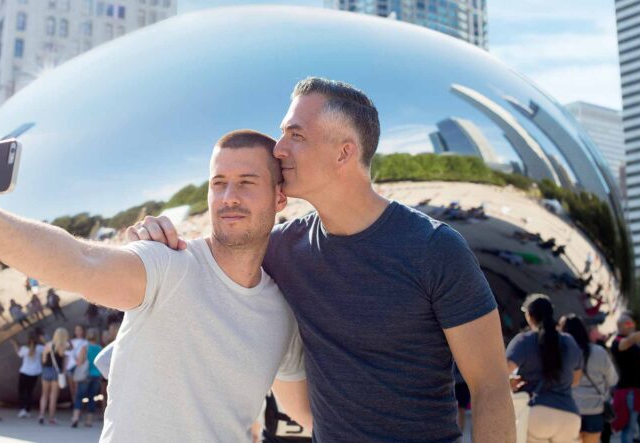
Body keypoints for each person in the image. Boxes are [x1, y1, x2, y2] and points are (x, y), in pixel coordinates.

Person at [132, 78, 515, 441]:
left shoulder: (435, 249)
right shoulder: (281, 248)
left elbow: (490, 386)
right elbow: (205, 261)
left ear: (344, 151)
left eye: (295, 135)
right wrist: (153, 237)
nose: (279, 149)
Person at [0, 130, 310, 441]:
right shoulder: (168, 263)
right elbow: (82, 262)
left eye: (246, 182)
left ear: (280, 197)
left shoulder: (280, 314)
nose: (229, 197)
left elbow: (305, 412)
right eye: (219, 183)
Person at [506, 295, 582, 443]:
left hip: (537, 414)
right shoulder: (569, 341)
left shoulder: (523, 341)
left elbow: (501, 373)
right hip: (570, 416)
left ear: (529, 316)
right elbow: (575, 381)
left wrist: (510, 382)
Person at [561, 315, 617, 443]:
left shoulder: (562, 355)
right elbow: (613, 379)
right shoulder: (599, 352)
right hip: (595, 410)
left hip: (570, 409)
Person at [610, 313, 640, 443]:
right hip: (629, 392)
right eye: (628, 324)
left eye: (633, 324)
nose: (632, 326)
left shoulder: (638, 343)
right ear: (620, 326)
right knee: (629, 429)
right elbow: (629, 340)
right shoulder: (617, 342)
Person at [71, 328, 103, 428]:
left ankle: (76, 417)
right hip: (96, 376)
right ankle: (89, 421)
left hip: (85, 375)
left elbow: (80, 362)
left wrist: (76, 361)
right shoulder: (100, 348)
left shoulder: (85, 347)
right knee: (91, 398)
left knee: (79, 397)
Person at [39, 327, 69, 425]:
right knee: (53, 396)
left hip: (47, 370)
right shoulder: (64, 347)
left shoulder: (48, 345)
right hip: (57, 372)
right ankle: (51, 418)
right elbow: (65, 363)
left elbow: (43, 360)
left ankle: (41, 415)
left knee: (44, 395)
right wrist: (64, 373)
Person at [10, 330, 43, 418]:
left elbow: (18, 353)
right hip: (35, 373)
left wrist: (15, 344)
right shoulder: (40, 348)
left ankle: (22, 409)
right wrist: (42, 338)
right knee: (29, 392)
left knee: (22, 392)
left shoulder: (25, 349)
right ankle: (28, 410)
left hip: (24, 372)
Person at [65, 324, 88, 398]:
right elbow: (67, 355)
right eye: (76, 330)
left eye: (80, 330)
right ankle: (74, 402)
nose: (78, 332)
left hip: (79, 366)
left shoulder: (86, 342)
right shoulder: (70, 342)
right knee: (72, 387)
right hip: (70, 366)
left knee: (78, 387)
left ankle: (77, 404)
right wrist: (65, 367)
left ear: (83, 331)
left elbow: (85, 355)